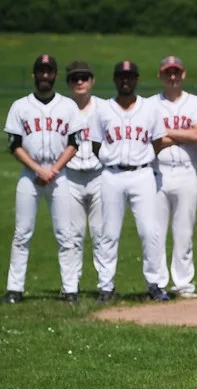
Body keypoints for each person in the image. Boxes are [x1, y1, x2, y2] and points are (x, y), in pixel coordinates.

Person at [3, 54, 84, 304]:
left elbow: (74, 143)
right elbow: (14, 144)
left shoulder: (68, 106)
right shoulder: (20, 106)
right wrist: (38, 169)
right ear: (34, 75)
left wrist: (53, 170)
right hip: (30, 176)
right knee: (22, 233)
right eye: (41, 71)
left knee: (65, 234)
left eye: (49, 71)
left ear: (56, 75)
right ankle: (15, 289)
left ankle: (70, 290)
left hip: (58, 176)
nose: (45, 75)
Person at [88, 60, 169, 303]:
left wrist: (142, 157)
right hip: (111, 174)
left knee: (149, 231)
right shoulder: (102, 109)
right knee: (109, 232)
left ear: (137, 79)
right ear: (115, 79)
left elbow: (157, 140)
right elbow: (94, 143)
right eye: (121, 76)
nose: (126, 80)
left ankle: (154, 283)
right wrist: (109, 159)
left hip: (142, 174)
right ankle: (106, 285)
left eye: (130, 76)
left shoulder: (150, 108)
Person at [149, 56, 197, 299]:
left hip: (186, 171)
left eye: (176, 72)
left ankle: (183, 284)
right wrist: (183, 133)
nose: (172, 77)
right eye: (167, 72)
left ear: (183, 74)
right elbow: (152, 141)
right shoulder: (150, 104)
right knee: (156, 232)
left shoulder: (196, 103)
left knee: (184, 232)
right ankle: (158, 283)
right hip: (157, 173)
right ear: (160, 75)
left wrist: (167, 133)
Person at [63, 60, 105, 300]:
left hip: (98, 174)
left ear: (92, 81)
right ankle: (71, 286)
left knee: (101, 233)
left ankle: (104, 285)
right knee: (73, 234)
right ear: (68, 83)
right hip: (71, 176)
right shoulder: (62, 109)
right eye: (74, 78)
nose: (79, 82)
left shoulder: (104, 108)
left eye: (84, 77)